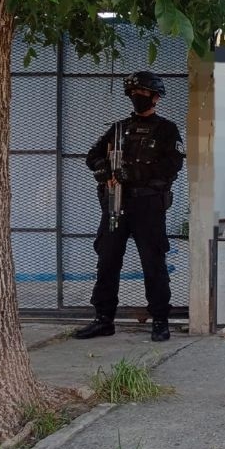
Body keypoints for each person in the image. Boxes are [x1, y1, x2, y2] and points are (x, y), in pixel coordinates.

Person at [75, 71, 185, 342]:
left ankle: (160, 320)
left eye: (143, 93)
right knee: (107, 261)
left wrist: (134, 174)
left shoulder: (167, 130)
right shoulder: (118, 129)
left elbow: (172, 166)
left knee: (153, 263)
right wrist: (103, 169)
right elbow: (92, 155)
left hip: (148, 207)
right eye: (134, 93)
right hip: (116, 203)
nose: (137, 96)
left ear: (155, 97)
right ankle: (103, 319)